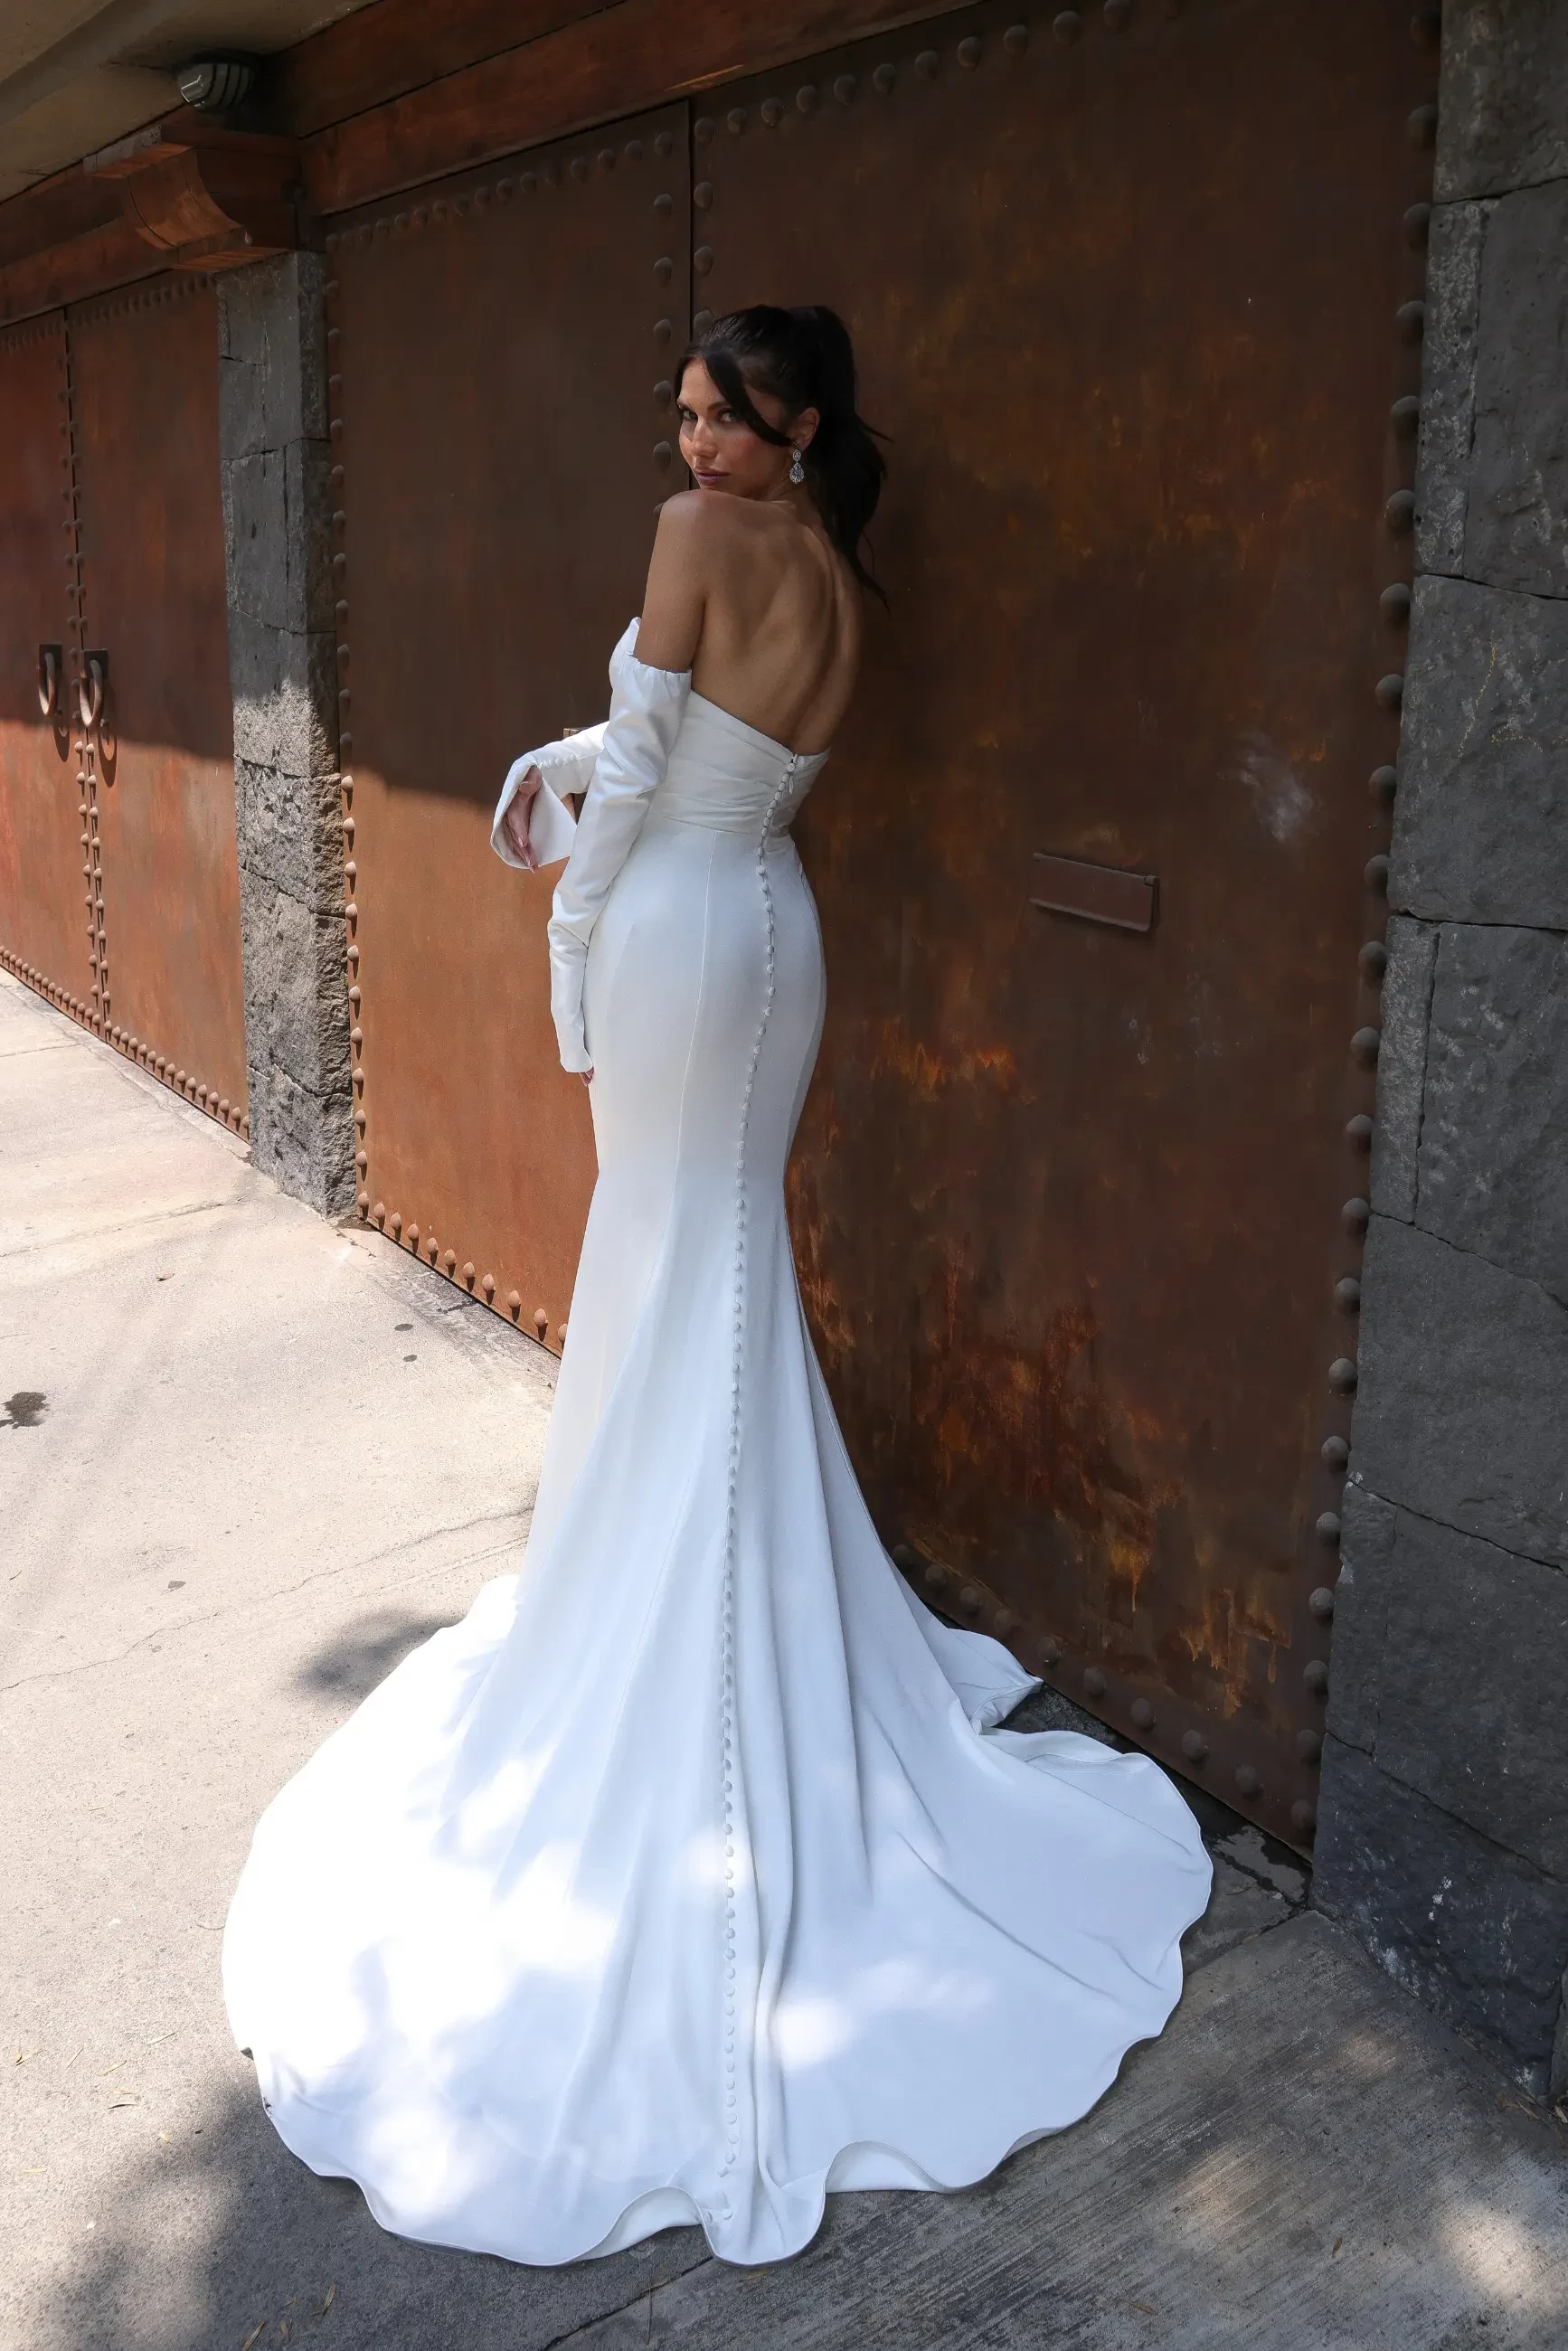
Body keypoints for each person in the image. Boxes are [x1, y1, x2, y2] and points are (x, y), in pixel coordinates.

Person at [223, 305, 1211, 2271]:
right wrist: (584, 772)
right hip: (780, 923)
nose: (691, 444)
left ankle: (686, 1620)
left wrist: (570, 942)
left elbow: (647, 772)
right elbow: (728, 755)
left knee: (675, 1257)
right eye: (678, 410)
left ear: (800, 421)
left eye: (726, 414)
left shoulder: (698, 548)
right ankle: (750, 1592)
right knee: (716, 1255)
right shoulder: (840, 578)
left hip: (679, 925)